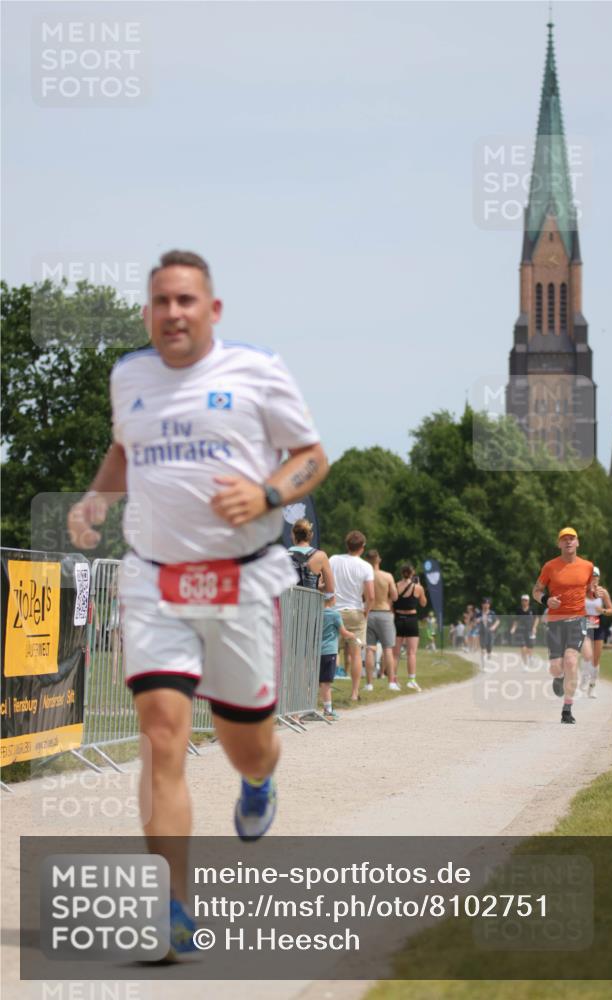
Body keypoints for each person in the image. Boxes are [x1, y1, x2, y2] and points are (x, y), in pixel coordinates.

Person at [66, 250, 328, 956]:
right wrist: (98, 497)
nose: (172, 313)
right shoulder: (130, 375)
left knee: (246, 744)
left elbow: (311, 455)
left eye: (186, 301)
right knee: (160, 736)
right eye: (160, 302)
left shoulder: (256, 372)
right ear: (148, 312)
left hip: (241, 579)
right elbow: (124, 450)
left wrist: (269, 493)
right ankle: (172, 909)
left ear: (212, 311)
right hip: (154, 577)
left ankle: (259, 779)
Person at [532, 526, 593, 725]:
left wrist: (596, 593)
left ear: (578, 542)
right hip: (556, 622)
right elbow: (536, 590)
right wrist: (546, 600)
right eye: (564, 539)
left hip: (577, 619)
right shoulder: (550, 566)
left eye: (572, 538)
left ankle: (567, 709)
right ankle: (559, 678)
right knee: (556, 668)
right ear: (559, 543)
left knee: (571, 661)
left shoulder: (587, 566)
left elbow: (591, 591)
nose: (568, 542)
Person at [330, 531, 375, 701]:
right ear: (362, 548)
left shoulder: (333, 559)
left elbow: (324, 580)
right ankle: (355, 692)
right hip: (356, 611)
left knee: (331, 651)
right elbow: (370, 596)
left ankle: (326, 689)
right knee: (356, 654)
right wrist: (366, 611)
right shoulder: (366, 567)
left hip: (335, 610)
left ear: (346, 545)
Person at [319, 596, 360, 718]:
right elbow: (343, 633)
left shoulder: (315, 612)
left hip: (316, 652)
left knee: (316, 682)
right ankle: (328, 710)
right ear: (332, 600)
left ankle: (307, 709)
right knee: (326, 683)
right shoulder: (334, 615)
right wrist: (352, 635)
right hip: (329, 651)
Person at [364, 550, 399, 691]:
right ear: (379, 560)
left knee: (370, 649)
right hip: (384, 613)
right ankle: (391, 682)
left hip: (370, 613)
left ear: (367, 560)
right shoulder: (387, 576)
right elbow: (395, 597)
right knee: (388, 649)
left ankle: (369, 684)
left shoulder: (365, 577)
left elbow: (362, 595)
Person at [580, 566, 612, 697]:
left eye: (595, 577)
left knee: (596, 659)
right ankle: (584, 676)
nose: (593, 579)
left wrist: (603, 611)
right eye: (591, 577)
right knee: (587, 655)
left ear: (599, 578)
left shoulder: (603, 592)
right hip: (584, 624)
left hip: (598, 625)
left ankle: (592, 686)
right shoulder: (582, 591)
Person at [393, 565, 427, 691]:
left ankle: (394, 681)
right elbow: (423, 603)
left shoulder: (395, 586)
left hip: (398, 619)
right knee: (411, 653)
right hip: (411, 620)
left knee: (395, 654)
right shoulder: (418, 588)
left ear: (401, 573)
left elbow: (392, 603)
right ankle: (411, 680)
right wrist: (420, 587)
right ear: (412, 574)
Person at [288, 518, 334, 594]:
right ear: (311, 535)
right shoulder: (320, 556)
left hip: (288, 604)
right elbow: (330, 588)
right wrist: (317, 587)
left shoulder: (284, 555)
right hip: (310, 603)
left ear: (293, 535)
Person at [509, 594, 537, 669]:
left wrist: (534, 627)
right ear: (521, 601)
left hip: (530, 631)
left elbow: (536, 619)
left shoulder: (532, 610)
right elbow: (516, 620)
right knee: (523, 648)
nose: (524, 602)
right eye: (523, 600)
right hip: (521, 631)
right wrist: (513, 628)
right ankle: (525, 665)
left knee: (530, 648)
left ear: (528, 601)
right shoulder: (519, 610)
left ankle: (530, 657)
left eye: (526, 600)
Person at [476, 597, 500, 666]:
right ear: (482, 605)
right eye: (484, 603)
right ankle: (484, 665)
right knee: (483, 648)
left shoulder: (492, 613)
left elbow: (498, 621)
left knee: (489, 647)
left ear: (489, 605)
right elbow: (475, 622)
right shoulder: (479, 614)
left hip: (490, 633)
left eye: (487, 603)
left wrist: (494, 627)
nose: (486, 605)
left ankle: (489, 653)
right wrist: (477, 621)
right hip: (482, 632)